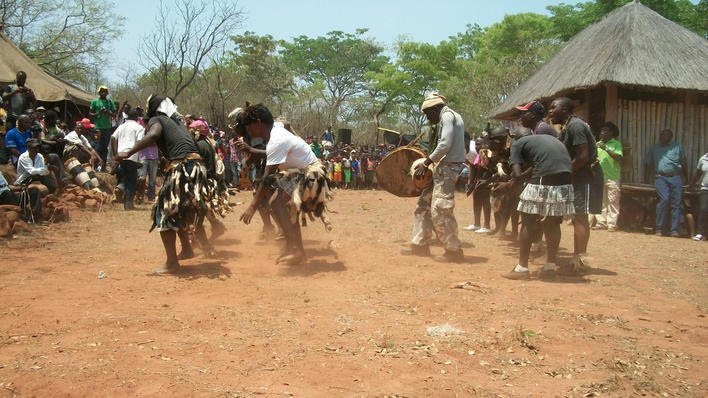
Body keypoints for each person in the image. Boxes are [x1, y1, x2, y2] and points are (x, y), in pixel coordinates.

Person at [114, 95, 228, 274]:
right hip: (196, 166)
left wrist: (129, 151)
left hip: (182, 166)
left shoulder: (157, 119)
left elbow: (153, 135)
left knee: (164, 212)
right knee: (178, 210)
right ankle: (187, 249)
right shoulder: (178, 123)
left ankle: (172, 263)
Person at [238, 103, 328, 265]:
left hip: (312, 175)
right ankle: (294, 247)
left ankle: (296, 249)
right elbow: (285, 123)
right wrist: (298, 141)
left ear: (259, 123)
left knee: (279, 204)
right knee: (278, 204)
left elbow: (266, 179)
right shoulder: (277, 128)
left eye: (249, 125)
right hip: (299, 172)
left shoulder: (276, 141)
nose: (248, 130)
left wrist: (252, 206)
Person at [499, 130, 575, 280]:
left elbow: (517, 174)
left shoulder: (518, 144)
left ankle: (521, 269)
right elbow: (534, 169)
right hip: (566, 180)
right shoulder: (545, 142)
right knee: (553, 223)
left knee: (527, 222)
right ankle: (550, 268)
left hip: (543, 180)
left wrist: (507, 186)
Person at [403, 93, 466, 263]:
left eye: (428, 113)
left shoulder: (447, 116)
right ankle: (419, 243)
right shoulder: (451, 116)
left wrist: (427, 162)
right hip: (443, 167)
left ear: (436, 108)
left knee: (441, 209)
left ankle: (453, 250)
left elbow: (445, 144)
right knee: (423, 205)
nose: (427, 117)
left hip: (448, 168)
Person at [548, 97, 602, 273]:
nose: (550, 111)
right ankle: (577, 259)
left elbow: (583, 156)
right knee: (577, 215)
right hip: (578, 175)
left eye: (553, 108)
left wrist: (564, 172)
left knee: (579, 216)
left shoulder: (575, 126)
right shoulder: (569, 126)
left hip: (585, 175)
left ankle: (579, 261)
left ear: (564, 110)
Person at [645, 129, 688, 237]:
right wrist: (646, 180)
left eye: (665, 135)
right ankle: (659, 228)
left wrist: (686, 179)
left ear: (670, 137)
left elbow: (684, 163)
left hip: (676, 178)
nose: (663, 137)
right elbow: (648, 164)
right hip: (661, 178)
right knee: (664, 200)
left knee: (676, 204)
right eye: (661, 135)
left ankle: (674, 230)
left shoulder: (677, 147)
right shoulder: (655, 148)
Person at [111, 109, 145, 210]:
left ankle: (125, 201)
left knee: (125, 178)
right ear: (137, 117)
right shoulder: (139, 127)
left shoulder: (121, 126)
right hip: (132, 155)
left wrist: (115, 154)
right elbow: (139, 142)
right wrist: (138, 158)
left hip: (121, 156)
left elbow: (113, 138)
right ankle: (128, 204)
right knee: (131, 180)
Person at [594, 122, 623, 231]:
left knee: (613, 201)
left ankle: (611, 224)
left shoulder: (616, 144)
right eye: (601, 131)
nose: (601, 133)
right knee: (601, 200)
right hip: (600, 176)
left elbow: (618, 158)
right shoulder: (597, 144)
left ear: (611, 133)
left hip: (613, 177)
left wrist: (606, 148)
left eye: (604, 131)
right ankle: (601, 222)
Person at [89, 85, 117, 169]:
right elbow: (90, 114)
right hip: (97, 127)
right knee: (97, 146)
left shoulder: (110, 102)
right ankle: (94, 166)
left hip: (107, 128)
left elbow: (114, 114)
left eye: (105, 91)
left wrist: (108, 112)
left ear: (107, 92)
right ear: (99, 92)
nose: (103, 92)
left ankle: (103, 166)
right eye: (102, 91)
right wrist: (99, 112)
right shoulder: (94, 102)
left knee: (105, 147)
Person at [689, 151, 708, 241]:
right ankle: (700, 232)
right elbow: (698, 174)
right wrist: (691, 185)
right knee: (704, 209)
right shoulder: (703, 159)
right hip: (705, 188)